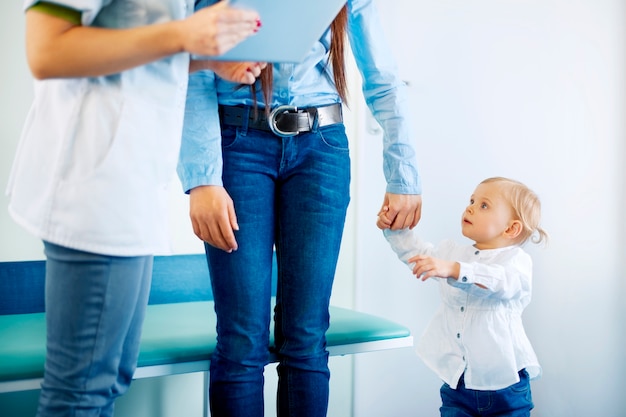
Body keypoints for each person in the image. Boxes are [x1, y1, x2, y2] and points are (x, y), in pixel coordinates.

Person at [5, 1, 265, 415]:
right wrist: (184, 35)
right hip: (94, 188)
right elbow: (47, 51)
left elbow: (131, 49)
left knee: (110, 380)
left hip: (134, 183)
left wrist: (204, 61)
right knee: (82, 392)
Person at [177, 0, 422, 415]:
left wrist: (404, 175)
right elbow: (191, 66)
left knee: (306, 337)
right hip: (237, 146)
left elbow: (383, 78)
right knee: (241, 342)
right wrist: (202, 178)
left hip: (321, 149)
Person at [380, 177, 548, 417]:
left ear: (511, 228)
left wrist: (456, 270)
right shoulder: (452, 253)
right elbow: (417, 254)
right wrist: (395, 228)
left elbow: (501, 282)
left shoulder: (515, 262)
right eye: (472, 200)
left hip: (506, 387)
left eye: (484, 205)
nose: (469, 207)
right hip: (458, 385)